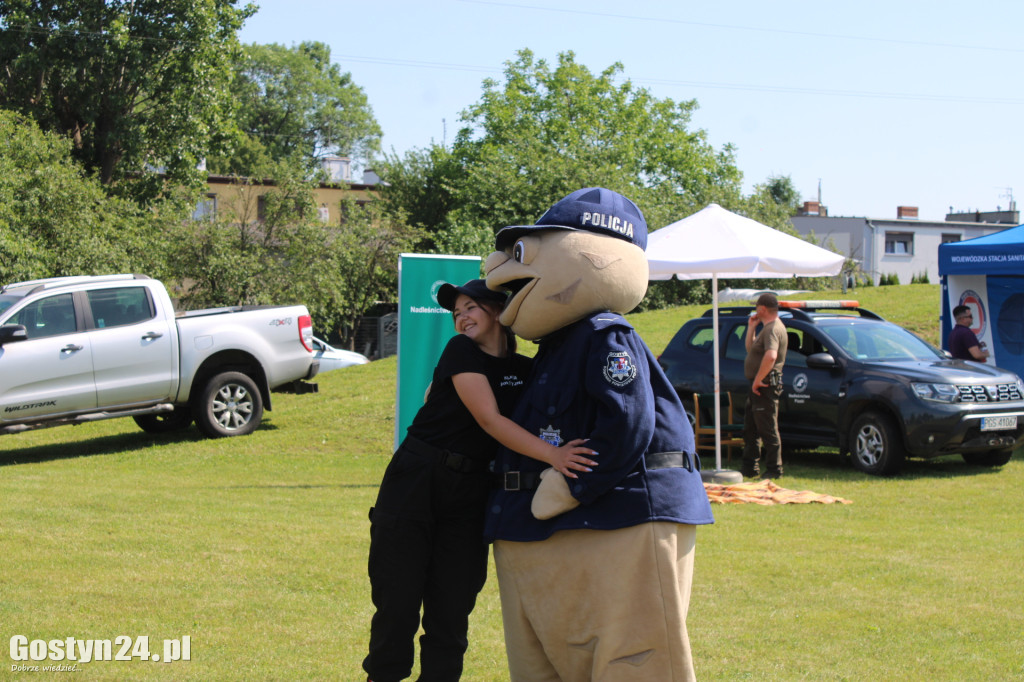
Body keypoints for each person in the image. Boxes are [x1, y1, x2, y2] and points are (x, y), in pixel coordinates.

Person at [483, 187, 714, 681]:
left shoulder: (607, 336)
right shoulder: (554, 348)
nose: (497, 270)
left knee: (633, 660)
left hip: (618, 522)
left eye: (521, 253)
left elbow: (628, 421)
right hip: (546, 535)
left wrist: (572, 484)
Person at [363, 279, 596, 682]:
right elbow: (490, 421)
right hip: (417, 481)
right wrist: (554, 455)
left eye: (470, 308)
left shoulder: (525, 369)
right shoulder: (461, 351)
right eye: (456, 313)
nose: (462, 318)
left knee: (452, 609)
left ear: (498, 312)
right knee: (397, 602)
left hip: (473, 492)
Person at [741, 292, 788, 479]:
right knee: (750, 429)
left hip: (764, 386)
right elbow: (751, 350)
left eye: (756, 308)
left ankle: (774, 470)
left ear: (762, 309)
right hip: (758, 386)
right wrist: (751, 328)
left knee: (767, 428)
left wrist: (759, 380)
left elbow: (771, 356)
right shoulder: (766, 327)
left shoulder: (773, 329)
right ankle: (749, 467)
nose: (755, 311)